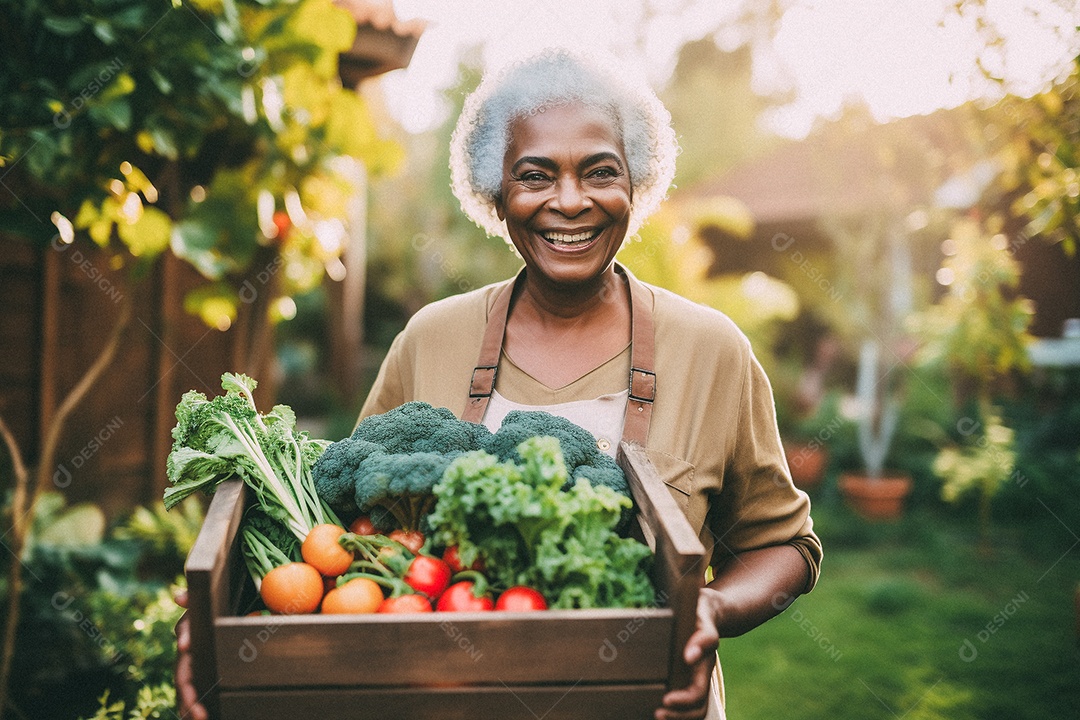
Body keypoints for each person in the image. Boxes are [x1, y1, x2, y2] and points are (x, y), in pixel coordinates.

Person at [176, 48, 820, 720]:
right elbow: (344, 532)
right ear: (496, 192)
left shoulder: (711, 350)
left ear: (638, 182)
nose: (570, 201)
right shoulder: (431, 339)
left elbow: (785, 548)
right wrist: (227, 619)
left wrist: (706, 609)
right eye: (535, 176)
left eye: (600, 172)